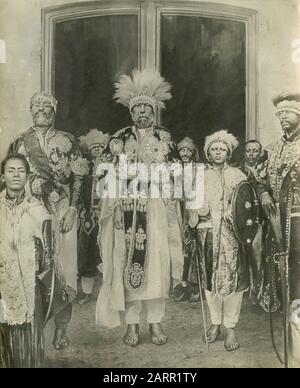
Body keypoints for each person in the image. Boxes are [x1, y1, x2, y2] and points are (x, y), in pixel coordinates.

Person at [95, 68, 184, 347]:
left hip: (156, 207)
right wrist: (116, 205)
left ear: (154, 112)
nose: (142, 113)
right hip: (126, 208)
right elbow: (105, 173)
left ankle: (155, 323)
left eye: (147, 109)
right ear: (131, 113)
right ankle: (132, 325)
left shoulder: (165, 137)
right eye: (138, 110)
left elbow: (178, 170)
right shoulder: (119, 138)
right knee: (126, 261)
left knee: (157, 261)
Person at [8, 92, 89, 350]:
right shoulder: (20, 142)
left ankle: (62, 328)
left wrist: (74, 209)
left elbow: (79, 177)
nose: (41, 110)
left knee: (64, 267)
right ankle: (34, 328)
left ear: (55, 110)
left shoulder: (68, 140)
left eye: (47, 106)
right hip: (30, 211)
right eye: (37, 106)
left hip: (61, 210)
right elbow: (8, 178)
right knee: (33, 266)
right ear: (30, 109)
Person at [189, 130, 249, 352]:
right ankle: (215, 323)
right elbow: (193, 205)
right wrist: (196, 212)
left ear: (228, 152)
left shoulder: (238, 175)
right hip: (208, 233)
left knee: (234, 281)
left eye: (222, 149)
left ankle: (231, 327)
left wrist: (234, 213)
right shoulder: (201, 176)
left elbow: (246, 203)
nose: (218, 152)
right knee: (209, 280)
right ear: (207, 152)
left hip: (233, 235)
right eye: (214, 149)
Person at [255, 92, 300, 363]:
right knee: (286, 288)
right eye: (279, 114)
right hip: (278, 228)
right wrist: (263, 195)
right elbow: (260, 179)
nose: (282, 117)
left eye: (287, 113)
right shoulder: (272, 149)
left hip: (299, 225)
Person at [0, 154, 53, 368]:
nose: (15, 175)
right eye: (11, 170)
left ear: (28, 176)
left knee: (29, 335)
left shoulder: (37, 209)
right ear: (3, 175)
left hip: (30, 282)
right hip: (2, 282)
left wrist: (39, 263)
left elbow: (49, 249)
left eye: (21, 171)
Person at [77, 129, 110, 304]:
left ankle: (108, 292)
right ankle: (87, 292)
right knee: (86, 252)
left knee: (105, 250)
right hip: (87, 217)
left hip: (105, 215)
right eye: (94, 148)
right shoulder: (84, 168)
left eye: (100, 147)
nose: (97, 150)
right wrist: (83, 209)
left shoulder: (109, 168)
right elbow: (78, 190)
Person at [173, 136, 200, 302]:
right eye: (182, 150)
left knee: (193, 247)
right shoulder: (174, 168)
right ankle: (181, 285)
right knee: (179, 248)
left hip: (192, 209)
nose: (185, 153)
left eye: (188, 150)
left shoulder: (198, 169)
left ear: (193, 152)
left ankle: (194, 285)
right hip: (177, 210)